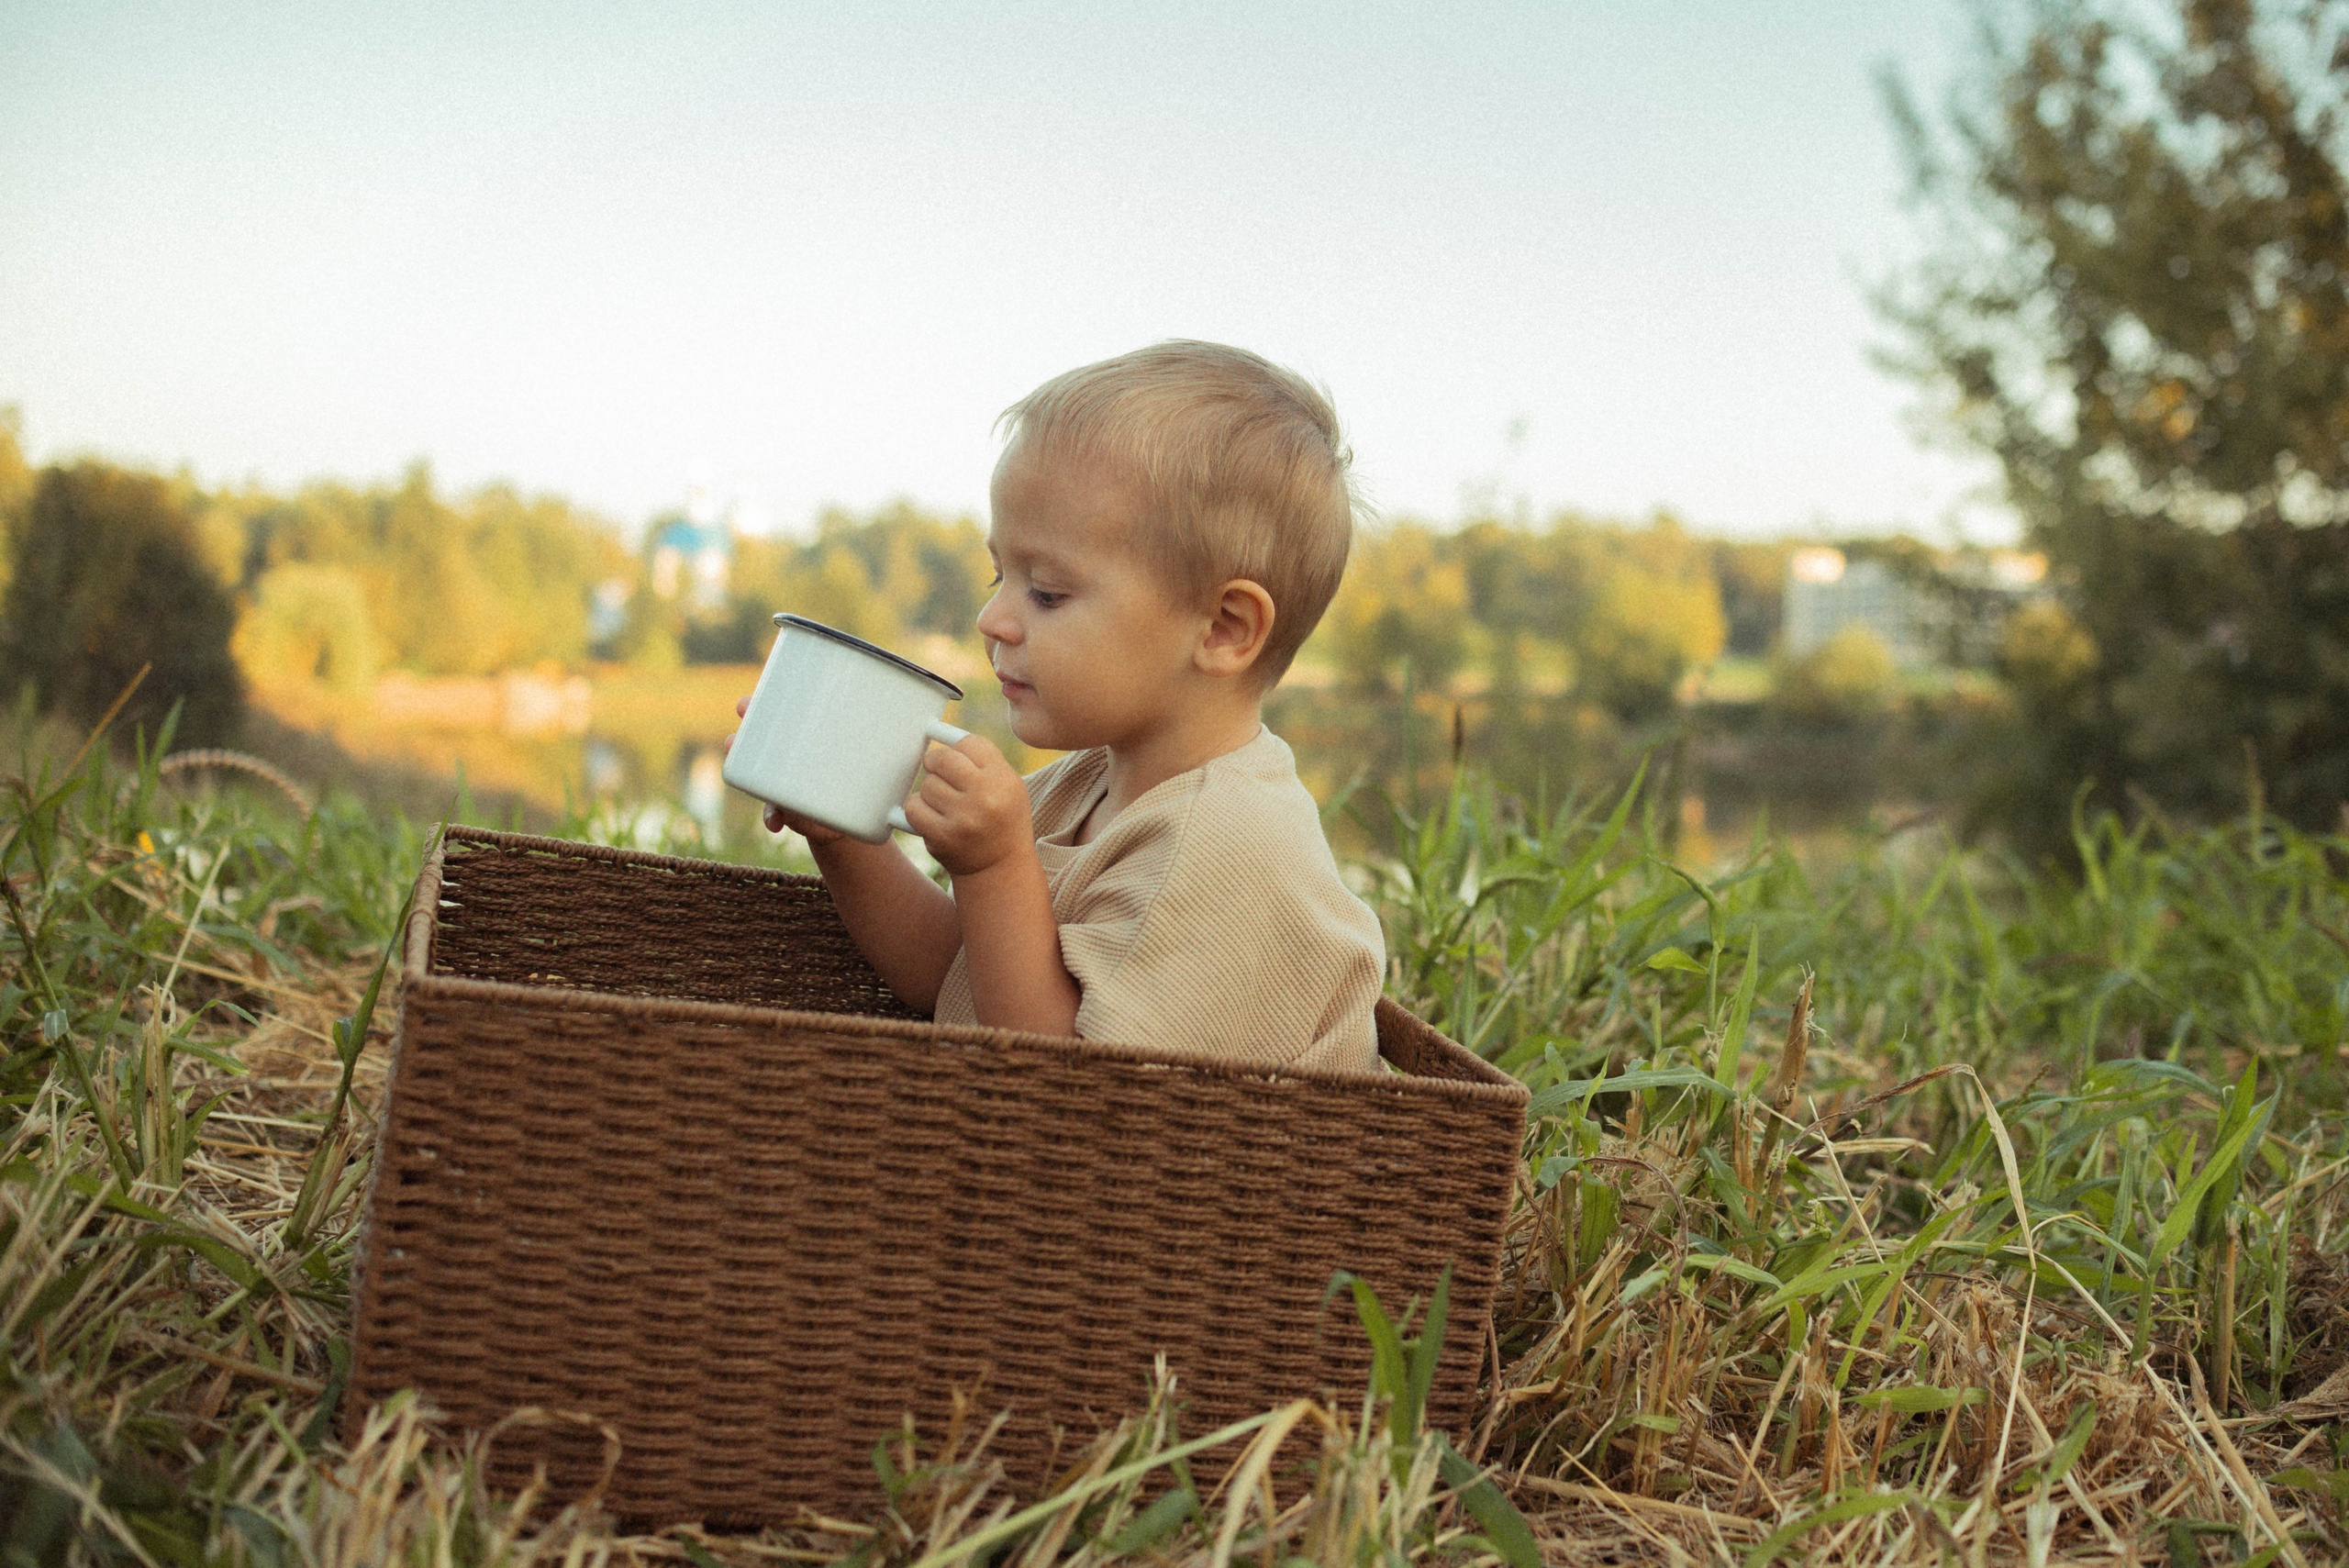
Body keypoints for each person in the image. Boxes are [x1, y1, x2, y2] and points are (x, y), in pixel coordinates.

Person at [739, 341, 1383, 1073]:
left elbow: (1070, 1089)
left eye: (1046, 593)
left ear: (1223, 629)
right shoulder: (1087, 783)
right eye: (999, 576)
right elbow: (959, 981)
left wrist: (994, 866)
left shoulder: (1233, 846)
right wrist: (844, 836)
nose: (992, 619)